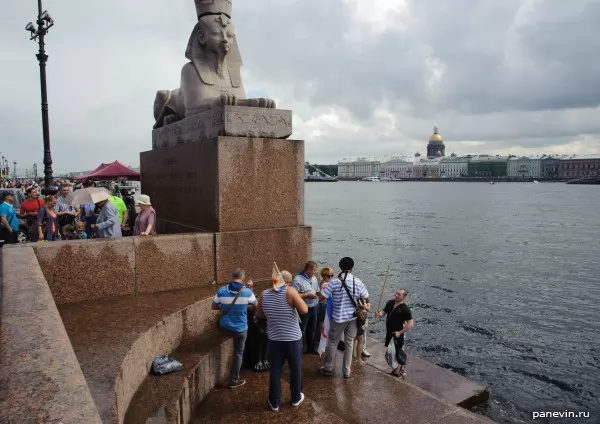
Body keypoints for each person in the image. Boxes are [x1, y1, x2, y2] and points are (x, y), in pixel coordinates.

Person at [256, 270, 307, 411]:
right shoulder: (290, 291)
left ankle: (274, 403)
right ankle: (296, 398)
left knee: (275, 371)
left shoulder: (263, 294)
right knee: (295, 369)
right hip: (292, 339)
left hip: (274, 339)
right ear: (288, 282)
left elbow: (259, 313)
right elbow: (304, 310)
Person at [318, 257, 370, 379]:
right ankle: (347, 371)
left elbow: (322, 298)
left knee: (332, 342)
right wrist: (367, 305)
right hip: (353, 318)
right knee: (349, 343)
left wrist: (321, 291)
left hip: (338, 318)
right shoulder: (357, 281)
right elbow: (366, 296)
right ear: (351, 268)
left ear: (340, 267)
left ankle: (328, 368)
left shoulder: (334, 282)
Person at [211, 268, 256, 389]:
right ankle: (234, 380)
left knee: (221, 323)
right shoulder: (247, 292)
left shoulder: (221, 290)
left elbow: (214, 306)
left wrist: (225, 304)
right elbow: (255, 306)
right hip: (240, 330)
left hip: (225, 328)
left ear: (232, 277)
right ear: (243, 278)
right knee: (238, 353)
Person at [375, 289, 414, 377]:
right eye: (396, 293)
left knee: (396, 352)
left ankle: (396, 372)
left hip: (397, 335)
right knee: (390, 352)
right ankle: (398, 368)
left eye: (399, 294)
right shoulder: (390, 303)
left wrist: (400, 333)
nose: (396, 295)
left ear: (403, 297)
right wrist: (378, 314)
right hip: (389, 333)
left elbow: (411, 325)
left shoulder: (405, 309)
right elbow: (383, 312)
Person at [292, 261, 320, 354]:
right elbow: (294, 295)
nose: (315, 273)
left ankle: (311, 348)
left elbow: (317, 290)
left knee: (312, 328)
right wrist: (306, 295)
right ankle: (297, 349)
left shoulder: (314, 278)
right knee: (301, 329)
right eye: (314, 270)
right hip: (304, 308)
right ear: (308, 269)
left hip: (314, 306)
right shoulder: (297, 280)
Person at [315, 267, 334, 348]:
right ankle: (323, 338)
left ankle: (321, 338)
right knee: (323, 322)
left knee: (321, 322)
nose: (331, 277)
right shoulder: (325, 284)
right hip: (325, 305)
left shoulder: (321, 282)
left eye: (332, 275)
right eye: (329, 276)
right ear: (323, 275)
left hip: (323, 305)